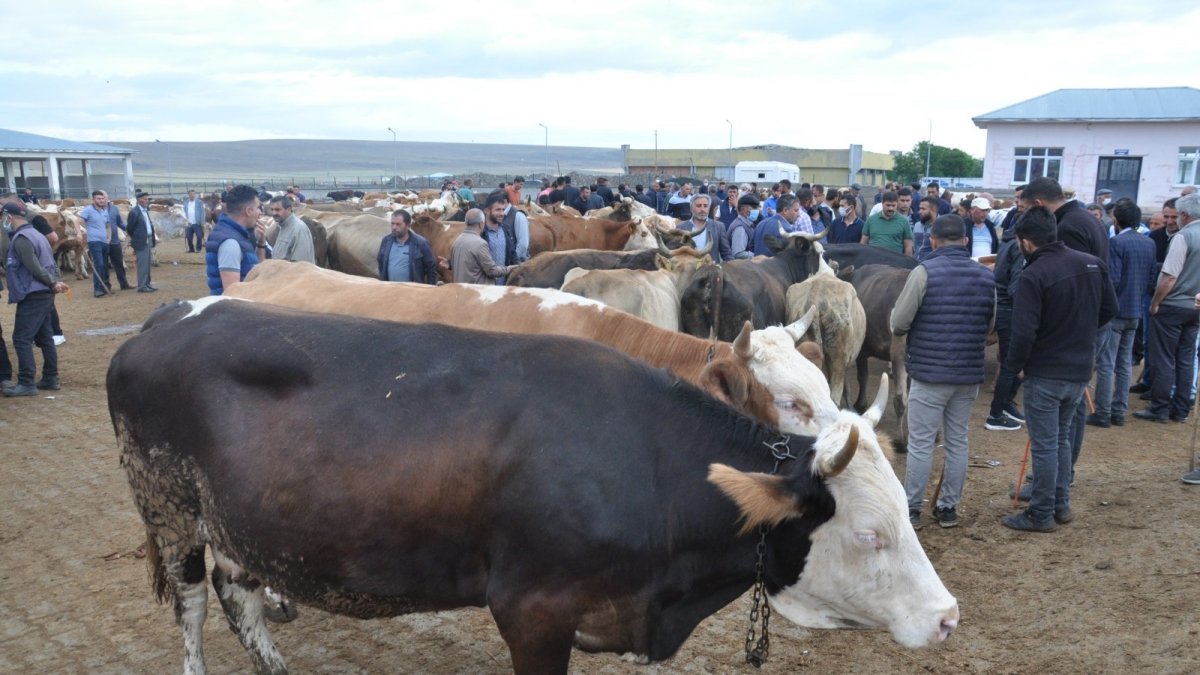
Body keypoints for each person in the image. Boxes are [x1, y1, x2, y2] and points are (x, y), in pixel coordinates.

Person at [1002, 207, 1117, 532]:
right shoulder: (1091, 263)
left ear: (1026, 242)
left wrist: (1014, 368)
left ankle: (1041, 514)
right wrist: (1078, 332)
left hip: (1047, 373)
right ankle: (1061, 504)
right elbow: (1111, 309)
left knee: (1046, 444)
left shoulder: (1034, 275)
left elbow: (1024, 332)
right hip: (1080, 370)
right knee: (1062, 440)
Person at [891, 214, 995, 529]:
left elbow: (898, 323)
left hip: (929, 374)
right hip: (967, 374)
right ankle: (948, 508)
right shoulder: (986, 276)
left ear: (933, 240)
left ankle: (911, 509)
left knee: (921, 443)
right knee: (958, 440)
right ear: (965, 241)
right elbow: (990, 326)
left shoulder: (924, 273)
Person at [1089, 199, 1158, 428]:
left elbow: (1114, 280)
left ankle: (1103, 412)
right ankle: (1118, 411)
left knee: (1107, 363)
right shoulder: (1148, 243)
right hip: (1135, 310)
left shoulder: (1116, 243)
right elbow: (1150, 280)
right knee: (1125, 363)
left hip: (1116, 311)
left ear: (1116, 220)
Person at [1136, 193, 1200, 427]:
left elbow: (1169, 276)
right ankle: (1181, 408)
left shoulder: (1183, 237)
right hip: (1195, 307)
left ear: (1184, 215)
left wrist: (1155, 302)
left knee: (1164, 358)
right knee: (1186, 358)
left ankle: (1160, 407)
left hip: (1173, 305)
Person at [3, 202, 69, 397]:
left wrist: (52, 283)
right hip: (43, 294)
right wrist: (54, 282)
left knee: (21, 339)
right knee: (44, 337)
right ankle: (50, 377)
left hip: (33, 293)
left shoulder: (22, 238)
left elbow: (34, 267)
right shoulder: (38, 234)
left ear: (10, 217)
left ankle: (26, 382)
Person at [985, 219, 1028, 432]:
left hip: (1002, 306)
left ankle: (1006, 405)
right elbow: (1015, 287)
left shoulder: (1008, 241)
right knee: (1012, 365)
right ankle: (996, 413)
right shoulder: (1019, 247)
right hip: (1010, 310)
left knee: (1011, 363)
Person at [204, 185, 266, 295]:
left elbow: (257, 271)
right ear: (249, 211)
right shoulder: (230, 243)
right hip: (233, 311)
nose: (260, 212)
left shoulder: (236, 234)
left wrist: (261, 243)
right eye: (258, 208)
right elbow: (232, 294)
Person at [78, 190, 130, 296]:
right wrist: (79, 234)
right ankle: (99, 289)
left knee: (113, 264)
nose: (102, 200)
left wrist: (109, 238)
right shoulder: (88, 210)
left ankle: (115, 285)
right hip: (94, 242)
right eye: (99, 198)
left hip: (107, 242)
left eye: (103, 198)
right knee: (100, 265)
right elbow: (76, 221)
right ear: (93, 199)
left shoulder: (106, 211)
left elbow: (109, 225)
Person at [445, 208, 517, 284]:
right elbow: (491, 271)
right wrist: (508, 269)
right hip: (477, 292)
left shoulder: (457, 241)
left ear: (466, 223)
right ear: (481, 224)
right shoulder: (480, 244)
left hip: (461, 290)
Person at [377, 209, 437, 284]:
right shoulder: (386, 241)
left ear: (408, 225)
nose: (394, 227)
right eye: (392, 224)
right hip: (390, 289)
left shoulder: (421, 243)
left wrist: (430, 288)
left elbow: (431, 268)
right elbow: (380, 262)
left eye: (398, 224)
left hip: (412, 291)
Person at [479, 192, 521, 283]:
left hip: (504, 286)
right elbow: (470, 252)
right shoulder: (480, 232)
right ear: (486, 210)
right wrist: (450, 263)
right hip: (485, 285)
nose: (502, 213)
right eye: (498, 210)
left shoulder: (506, 229)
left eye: (503, 209)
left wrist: (518, 266)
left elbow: (512, 253)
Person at [676, 194, 732, 263]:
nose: (702, 209)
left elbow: (726, 254)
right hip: (689, 271)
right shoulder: (681, 227)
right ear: (691, 208)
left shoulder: (718, 227)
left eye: (705, 206)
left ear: (709, 208)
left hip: (710, 271)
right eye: (698, 206)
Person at [861, 190, 914, 255]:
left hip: (895, 263)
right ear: (882, 203)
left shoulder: (904, 221)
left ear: (897, 204)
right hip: (874, 262)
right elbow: (863, 242)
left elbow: (908, 246)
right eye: (888, 205)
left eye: (893, 205)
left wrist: (908, 263)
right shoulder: (871, 220)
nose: (890, 208)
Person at [267, 196, 315, 264]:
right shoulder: (283, 226)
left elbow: (301, 265)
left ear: (289, 209)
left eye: (278, 210)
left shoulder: (298, 229)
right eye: (272, 210)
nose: (274, 213)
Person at [126, 191, 157, 292]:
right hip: (141, 241)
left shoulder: (144, 210)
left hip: (147, 239)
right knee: (142, 264)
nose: (147, 201)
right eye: (145, 199)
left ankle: (147, 284)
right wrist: (136, 238)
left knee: (147, 263)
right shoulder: (134, 212)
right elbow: (130, 228)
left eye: (147, 199)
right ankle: (142, 286)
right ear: (139, 200)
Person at [725, 194, 759, 260]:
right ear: (743, 209)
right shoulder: (740, 228)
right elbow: (738, 254)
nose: (757, 210)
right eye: (754, 207)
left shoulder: (746, 224)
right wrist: (757, 255)